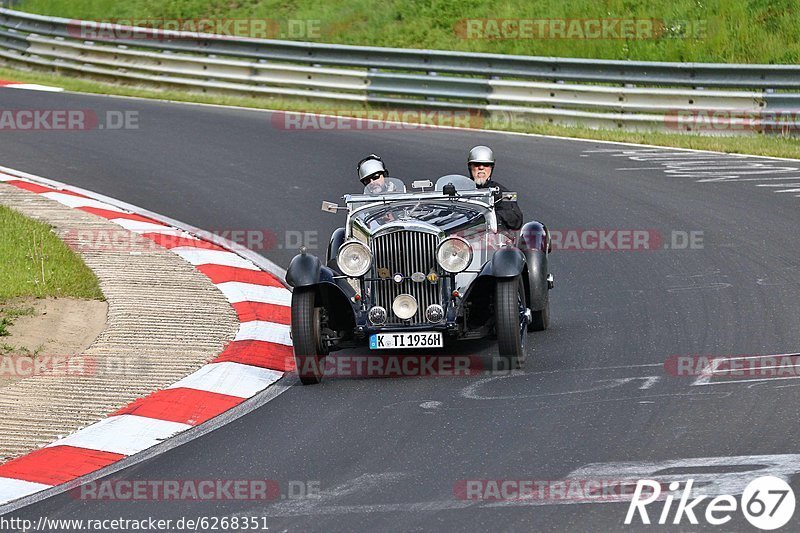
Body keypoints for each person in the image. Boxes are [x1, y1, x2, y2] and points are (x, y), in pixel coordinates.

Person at [467, 145, 523, 231]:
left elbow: (516, 219)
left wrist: (490, 215)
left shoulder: (504, 192)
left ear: (491, 168)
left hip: (491, 238)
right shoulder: (460, 190)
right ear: (470, 167)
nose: (481, 168)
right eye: (477, 164)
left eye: (486, 165)